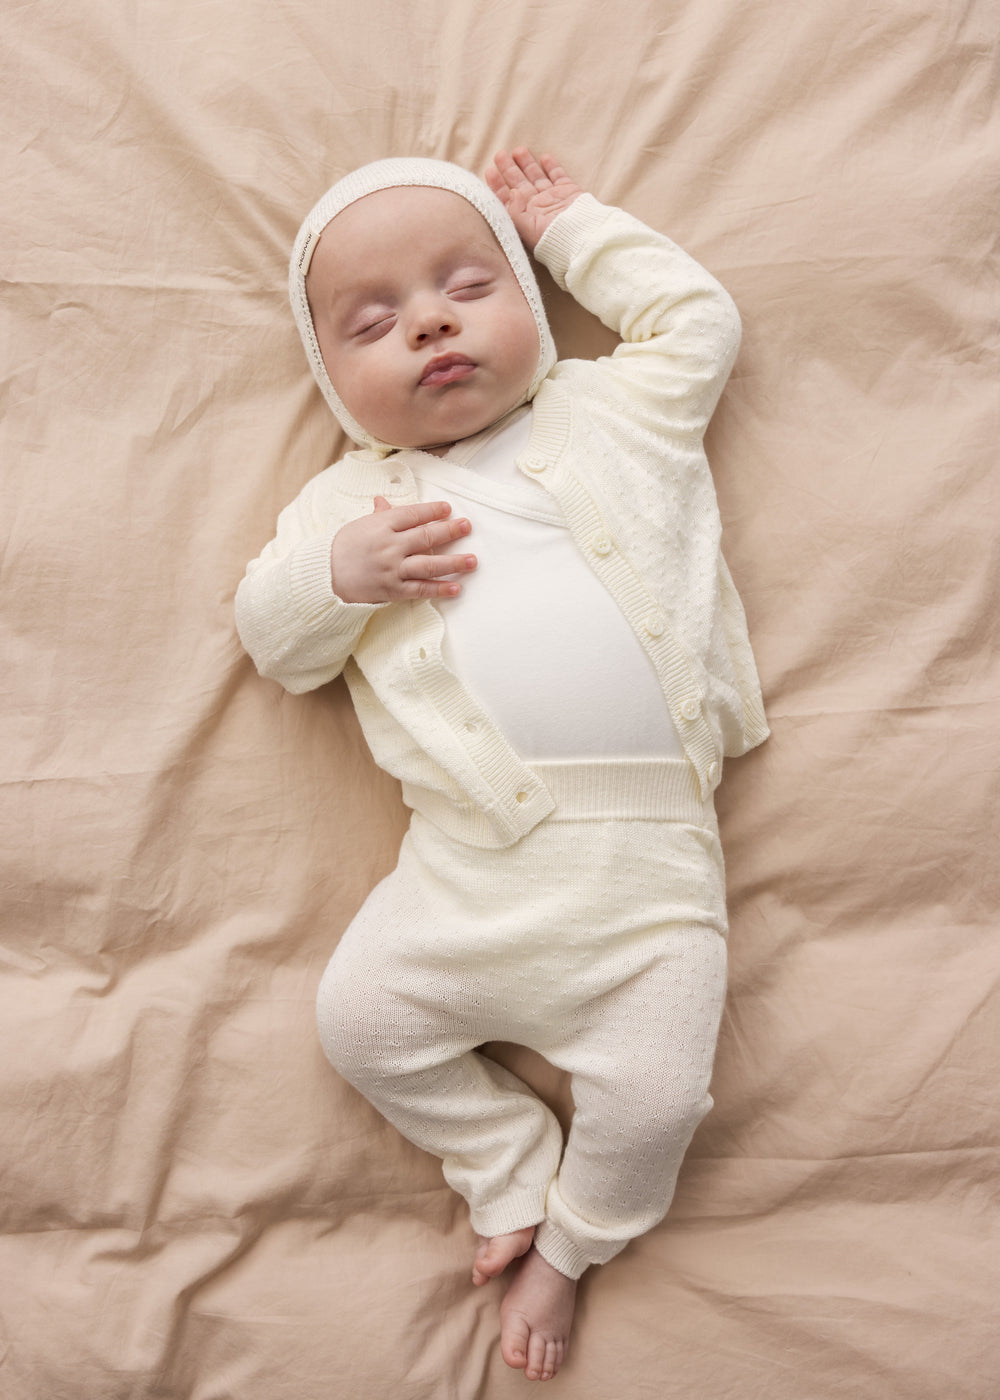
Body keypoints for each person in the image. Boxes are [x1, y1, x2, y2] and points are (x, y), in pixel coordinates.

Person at [235, 147, 768, 1382]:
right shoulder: (348, 504)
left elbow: (698, 319)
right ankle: (503, 1162)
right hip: (466, 868)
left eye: (467, 284)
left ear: (532, 306)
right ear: (332, 378)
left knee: (655, 1101)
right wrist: (339, 576)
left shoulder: (614, 413)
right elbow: (274, 642)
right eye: (373, 323)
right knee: (358, 1019)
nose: (426, 321)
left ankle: (570, 1247)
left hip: (648, 876)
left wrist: (570, 226)